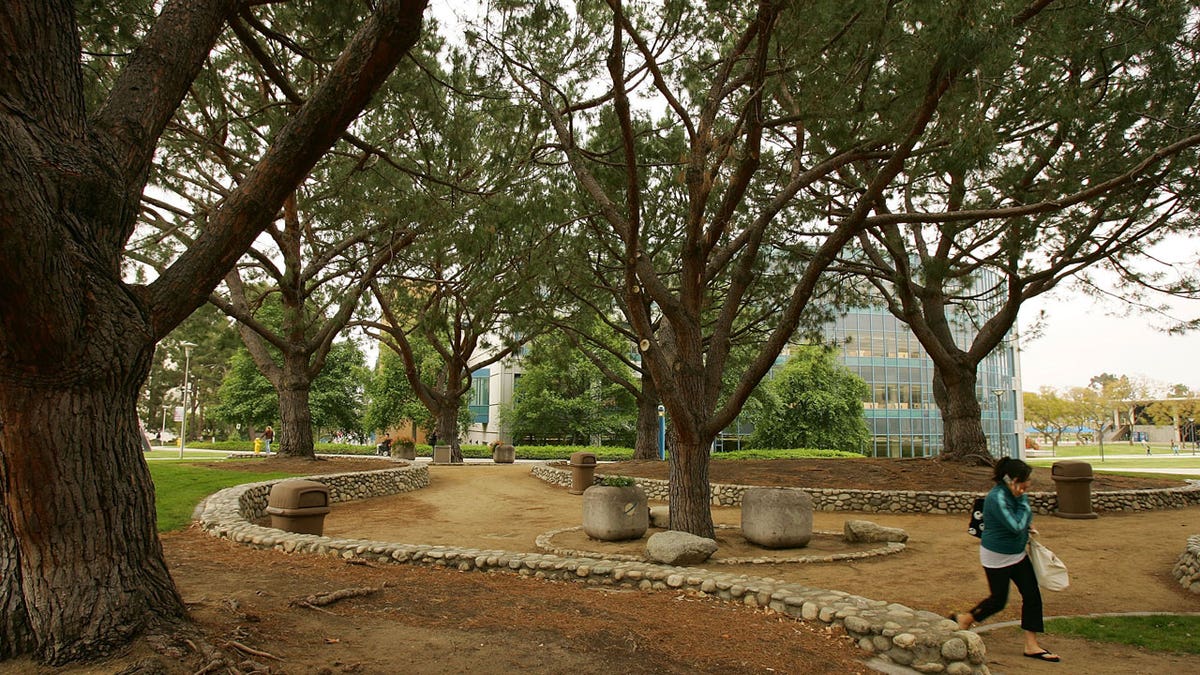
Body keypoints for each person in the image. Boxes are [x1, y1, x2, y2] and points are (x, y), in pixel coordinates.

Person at [950, 457, 1060, 663]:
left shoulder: (1016, 494)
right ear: (1014, 479)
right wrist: (1022, 504)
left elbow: (1023, 522)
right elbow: (1016, 525)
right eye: (1026, 479)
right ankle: (966, 618)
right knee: (998, 600)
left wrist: (1024, 512)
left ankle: (1031, 645)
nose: (1029, 484)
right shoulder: (997, 497)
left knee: (1032, 595)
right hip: (997, 557)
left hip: (1018, 554)